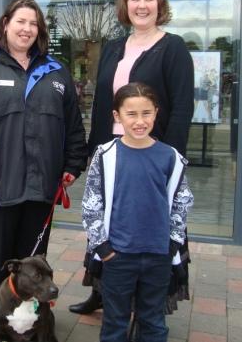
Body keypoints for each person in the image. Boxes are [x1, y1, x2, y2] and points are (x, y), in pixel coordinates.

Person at [0, 0, 88, 342]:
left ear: (39, 31)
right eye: (20, 21)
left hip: (41, 188)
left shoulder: (56, 73)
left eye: (34, 23)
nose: (27, 29)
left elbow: (73, 125)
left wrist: (73, 163)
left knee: (34, 267)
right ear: (6, 24)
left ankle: (29, 324)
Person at [69, 0, 194, 315]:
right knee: (106, 219)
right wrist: (92, 153)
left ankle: (146, 303)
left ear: (159, 5)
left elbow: (182, 107)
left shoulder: (173, 47)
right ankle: (100, 290)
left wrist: (171, 158)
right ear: (125, 6)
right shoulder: (113, 47)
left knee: (145, 220)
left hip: (150, 150)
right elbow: (101, 105)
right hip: (112, 149)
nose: (142, 5)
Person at [82, 82, 194, 342]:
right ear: (117, 116)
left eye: (146, 113)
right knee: (114, 322)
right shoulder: (105, 155)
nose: (139, 121)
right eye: (131, 114)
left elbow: (182, 201)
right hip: (117, 256)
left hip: (158, 256)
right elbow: (91, 203)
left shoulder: (171, 157)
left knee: (153, 321)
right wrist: (103, 247)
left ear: (156, 113)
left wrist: (172, 244)